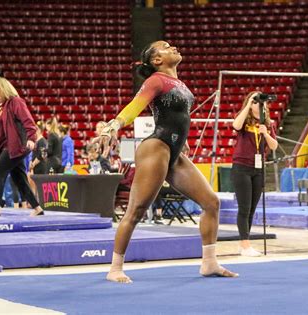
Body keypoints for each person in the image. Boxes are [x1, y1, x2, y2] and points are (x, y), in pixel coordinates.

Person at [102, 41, 237, 283]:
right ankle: (115, 268)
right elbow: (137, 104)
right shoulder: (156, 80)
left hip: (174, 151)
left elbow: (177, 117)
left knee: (211, 202)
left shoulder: (179, 83)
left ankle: (209, 263)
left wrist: (181, 140)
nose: (172, 47)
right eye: (165, 46)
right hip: (157, 147)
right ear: (156, 60)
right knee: (137, 210)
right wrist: (116, 124)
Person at [0, 76, 44, 217]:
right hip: (6, 147)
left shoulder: (16, 102)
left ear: (2, 89)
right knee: (19, 178)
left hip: (17, 146)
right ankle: (37, 208)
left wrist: (32, 138)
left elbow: (29, 122)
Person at [231, 91, 278, 257]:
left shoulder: (267, 123)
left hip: (258, 168)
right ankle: (245, 245)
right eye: (256, 102)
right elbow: (236, 126)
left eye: (261, 102)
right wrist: (248, 103)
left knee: (251, 209)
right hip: (241, 166)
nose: (260, 104)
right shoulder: (244, 119)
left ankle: (245, 243)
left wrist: (265, 133)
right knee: (244, 208)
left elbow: (273, 146)